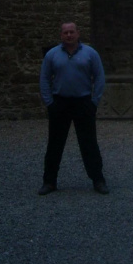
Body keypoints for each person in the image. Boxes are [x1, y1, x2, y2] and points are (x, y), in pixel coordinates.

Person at [38, 21, 109, 195]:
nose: (69, 35)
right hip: (59, 103)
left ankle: (98, 180)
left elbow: (99, 77)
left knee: (89, 144)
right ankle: (49, 182)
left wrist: (94, 102)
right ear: (61, 35)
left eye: (72, 32)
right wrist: (49, 103)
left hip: (83, 103)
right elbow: (44, 78)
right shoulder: (52, 55)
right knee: (55, 144)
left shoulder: (90, 53)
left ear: (78, 33)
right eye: (65, 33)